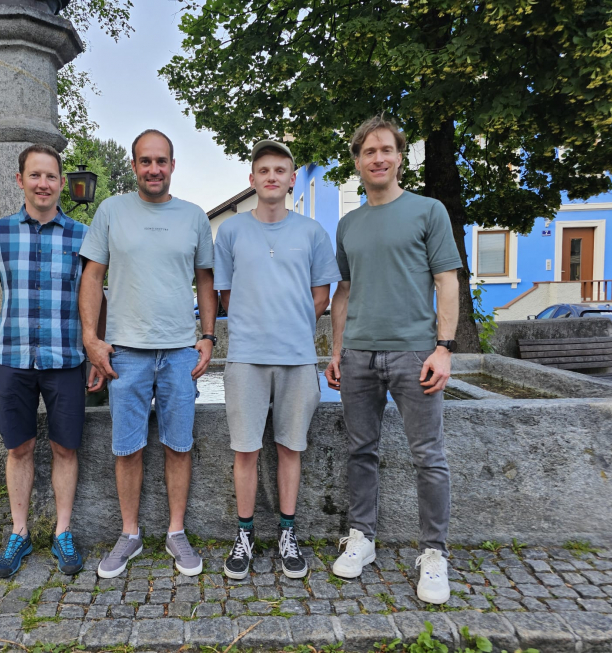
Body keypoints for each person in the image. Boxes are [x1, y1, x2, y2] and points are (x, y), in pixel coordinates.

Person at [324, 116, 462, 604]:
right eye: (368, 151)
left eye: (386, 149)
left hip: (416, 353)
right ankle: (362, 538)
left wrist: (444, 347)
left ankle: (434, 554)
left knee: (429, 456)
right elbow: (343, 292)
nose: (378, 158)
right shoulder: (348, 224)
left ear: (401, 156)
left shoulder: (429, 211)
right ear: (358, 161)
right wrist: (336, 351)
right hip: (359, 354)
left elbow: (447, 280)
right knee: (361, 451)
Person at [78, 129, 216, 579]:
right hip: (127, 353)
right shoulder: (111, 211)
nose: (153, 169)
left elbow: (205, 282)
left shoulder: (194, 217)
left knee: (179, 445)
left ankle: (176, 532)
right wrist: (91, 339)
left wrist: (209, 335)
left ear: (172, 165)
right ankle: (130, 533)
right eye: (144, 161)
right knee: (126, 448)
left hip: (179, 351)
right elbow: (92, 276)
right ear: (134, 165)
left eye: (161, 161)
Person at [0, 143, 104, 578]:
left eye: (51, 176)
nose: (43, 183)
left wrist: (97, 351)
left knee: (66, 447)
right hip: (12, 358)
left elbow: (97, 297)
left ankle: (63, 532)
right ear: (20, 180)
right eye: (35, 175)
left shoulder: (83, 236)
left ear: (63, 183)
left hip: (66, 358)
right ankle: (20, 533)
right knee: (19, 447)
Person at [214, 141, 342, 580]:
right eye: (263, 170)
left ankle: (288, 533)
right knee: (245, 451)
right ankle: (245, 534)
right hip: (246, 357)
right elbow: (226, 295)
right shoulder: (230, 233)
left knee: (291, 447)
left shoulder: (312, 233)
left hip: (297, 358)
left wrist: (291, 325)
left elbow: (321, 294)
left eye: (281, 170)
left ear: (291, 179)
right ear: (252, 180)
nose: (272, 176)